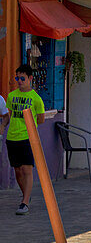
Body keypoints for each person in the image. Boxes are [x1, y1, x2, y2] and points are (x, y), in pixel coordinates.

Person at [5, 65, 44, 214]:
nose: (19, 81)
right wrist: (3, 125)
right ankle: (25, 196)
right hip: (12, 137)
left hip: (27, 137)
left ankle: (25, 202)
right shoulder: (12, 96)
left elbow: (40, 119)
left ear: (30, 78)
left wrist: (29, 128)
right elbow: (9, 115)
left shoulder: (36, 98)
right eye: (17, 78)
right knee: (17, 170)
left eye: (22, 78)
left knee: (27, 169)